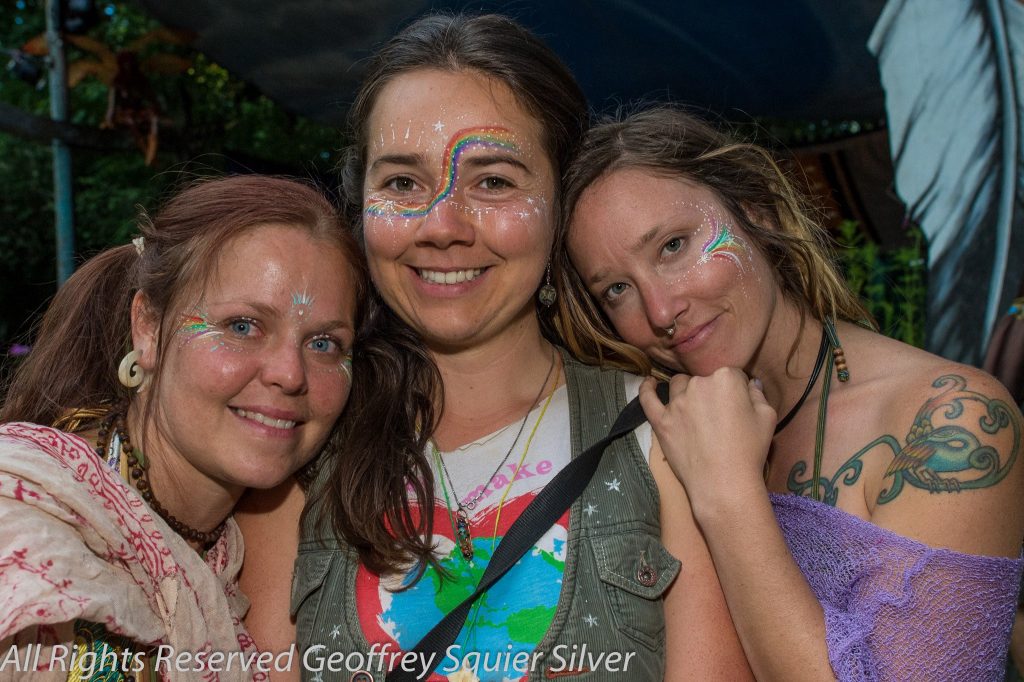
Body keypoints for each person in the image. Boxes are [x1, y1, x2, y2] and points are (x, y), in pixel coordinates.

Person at [238, 13, 752, 682]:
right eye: (401, 183)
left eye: (494, 182)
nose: (442, 226)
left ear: (560, 205)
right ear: (358, 204)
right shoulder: (295, 442)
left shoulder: (666, 438)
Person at [554, 106, 1024, 681]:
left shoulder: (950, 423)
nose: (660, 310)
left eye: (674, 246)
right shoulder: (655, 437)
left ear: (758, 213)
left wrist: (727, 495)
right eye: (618, 289)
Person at [0, 175, 366, 681]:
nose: (289, 373)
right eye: (242, 326)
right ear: (147, 328)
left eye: (324, 343)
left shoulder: (234, 556)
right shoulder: (26, 527)